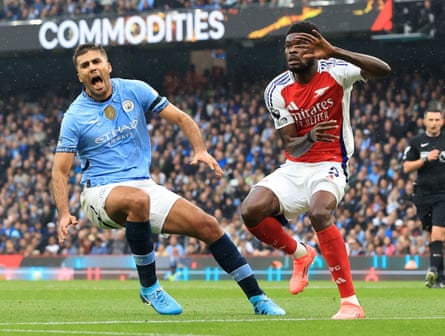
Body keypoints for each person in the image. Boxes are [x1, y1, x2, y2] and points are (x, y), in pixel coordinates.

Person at [50, 43, 285, 316]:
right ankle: (149, 287)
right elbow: (60, 171)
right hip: (99, 193)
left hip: (142, 185)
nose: (92, 68)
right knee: (138, 200)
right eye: (85, 66)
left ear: (108, 66)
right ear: (80, 76)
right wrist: (64, 212)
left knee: (208, 225)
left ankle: (258, 298)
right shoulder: (75, 116)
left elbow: (182, 118)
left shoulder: (135, 90)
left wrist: (200, 149)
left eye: (96, 62)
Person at [241, 21, 391, 319]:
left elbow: (382, 69)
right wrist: (309, 136)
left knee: (319, 213)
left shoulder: (335, 70)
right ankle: (301, 253)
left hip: (332, 163)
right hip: (296, 166)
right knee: (250, 210)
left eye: (300, 45)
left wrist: (333, 50)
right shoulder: (277, 89)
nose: (293, 51)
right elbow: (291, 146)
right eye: (288, 47)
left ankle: (350, 302)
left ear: (316, 47)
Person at [402, 110, 445, 288]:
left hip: (443, 194)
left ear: (442, 121)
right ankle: (440, 277)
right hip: (423, 195)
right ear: (424, 121)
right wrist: (425, 159)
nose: (434, 123)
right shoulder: (416, 142)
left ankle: (433, 270)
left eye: (437, 119)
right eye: (431, 120)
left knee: (437, 233)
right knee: (431, 237)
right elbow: (406, 168)